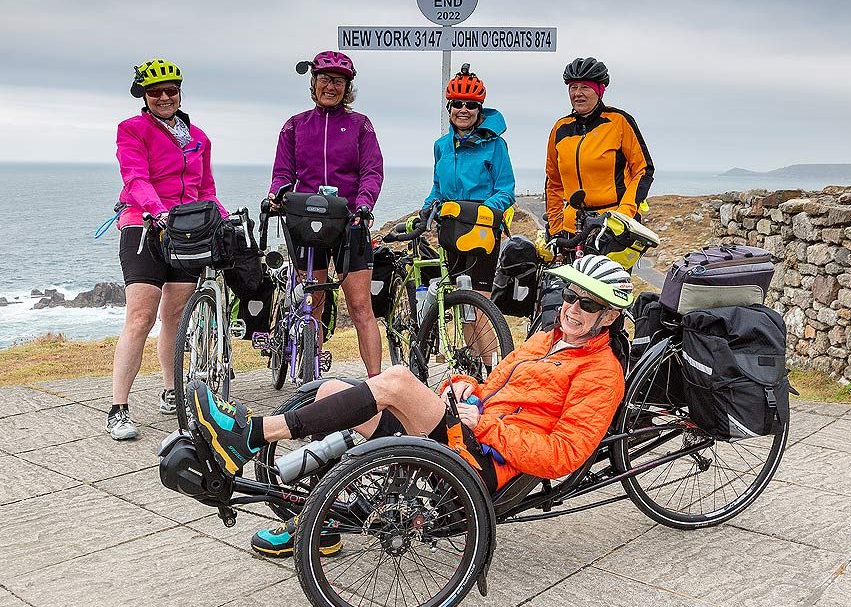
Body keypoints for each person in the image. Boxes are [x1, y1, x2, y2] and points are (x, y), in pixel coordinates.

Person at [187, 254, 633, 558]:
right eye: (569, 295)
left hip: (486, 462)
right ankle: (323, 522)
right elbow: (492, 386)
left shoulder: (601, 373)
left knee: (398, 379)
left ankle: (252, 434)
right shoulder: (545, 340)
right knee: (331, 392)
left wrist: (486, 426)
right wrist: (462, 387)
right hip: (469, 432)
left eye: (588, 303)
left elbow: (564, 455)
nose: (572, 308)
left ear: (609, 316)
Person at [108, 58, 227, 440]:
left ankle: (171, 390)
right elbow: (135, 177)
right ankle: (118, 408)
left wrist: (223, 218)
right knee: (140, 317)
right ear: (143, 96)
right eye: (155, 92)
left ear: (179, 92)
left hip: (185, 233)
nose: (164, 97)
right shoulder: (132, 129)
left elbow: (205, 189)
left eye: (170, 90)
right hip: (143, 227)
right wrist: (157, 210)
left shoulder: (198, 137)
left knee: (175, 316)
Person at [268, 50, 383, 377]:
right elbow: (283, 172)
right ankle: (312, 377)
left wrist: (364, 204)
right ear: (313, 82)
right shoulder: (295, 126)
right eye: (324, 79)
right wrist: (277, 194)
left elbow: (372, 171)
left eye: (338, 82)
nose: (331, 86)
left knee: (360, 308)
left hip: (350, 222)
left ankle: (377, 384)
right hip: (308, 222)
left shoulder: (360, 126)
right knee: (313, 304)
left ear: (347, 88)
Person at [422, 63, 515, 299]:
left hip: (483, 226)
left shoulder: (495, 145)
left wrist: (482, 213)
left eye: (471, 105)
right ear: (449, 108)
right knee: (457, 298)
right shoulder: (441, 146)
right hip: (452, 225)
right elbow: (438, 188)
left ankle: (487, 325)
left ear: (479, 110)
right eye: (457, 104)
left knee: (480, 299)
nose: (463, 110)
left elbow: (505, 190)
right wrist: (426, 209)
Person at [545, 57, 655, 238]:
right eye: (573, 87)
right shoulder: (560, 128)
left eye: (585, 87)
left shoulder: (619, 122)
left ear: (599, 90)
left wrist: (622, 216)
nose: (577, 93)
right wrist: (556, 228)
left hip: (614, 225)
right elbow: (553, 182)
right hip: (572, 227)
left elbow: (643, 170)